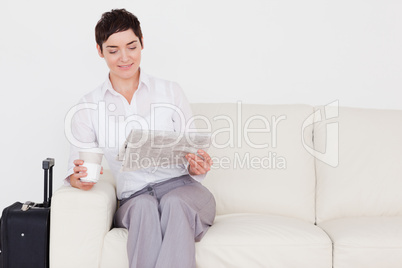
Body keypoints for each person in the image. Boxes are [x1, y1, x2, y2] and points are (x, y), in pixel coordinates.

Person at [66, 8, 216, 268]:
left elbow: (192, 148)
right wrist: (78, 179)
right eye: (113, 50)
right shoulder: (88, 106)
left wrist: (196, 164)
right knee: (145, 207)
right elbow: (75, 168)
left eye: (131, 46)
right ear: (100, 51)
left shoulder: (170, 91)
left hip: (184, 191)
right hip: (134, 199)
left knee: (174, 202)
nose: (124, 57)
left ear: (142, 43)